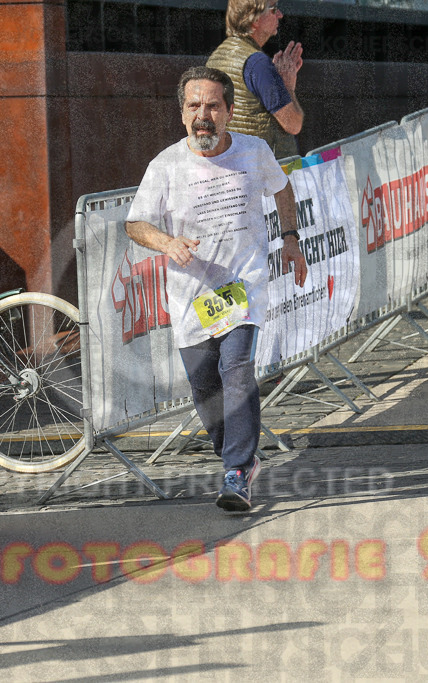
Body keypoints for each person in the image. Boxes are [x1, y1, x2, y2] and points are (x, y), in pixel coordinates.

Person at [125, 66, 308, 512]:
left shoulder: (254, 151)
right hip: (191, 297)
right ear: (182, 113)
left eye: (212, 106)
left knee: (237, 368)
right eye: (193, 106)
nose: (202, 115)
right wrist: (168, 243)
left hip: (241, 285)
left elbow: (282, 190)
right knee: (205, 388)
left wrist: (290, 239)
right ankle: (235, 450)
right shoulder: (166, 165)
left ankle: (238, 471)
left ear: (228, 111)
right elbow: (135, 223)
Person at [206, 0, 303, 160]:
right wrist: (287, 87)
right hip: (260, 173)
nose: (280, 15)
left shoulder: (216, 57)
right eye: (274, 9)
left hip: (229, 165)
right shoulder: (258, 64)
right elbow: (293, 124)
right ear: (255, 18)